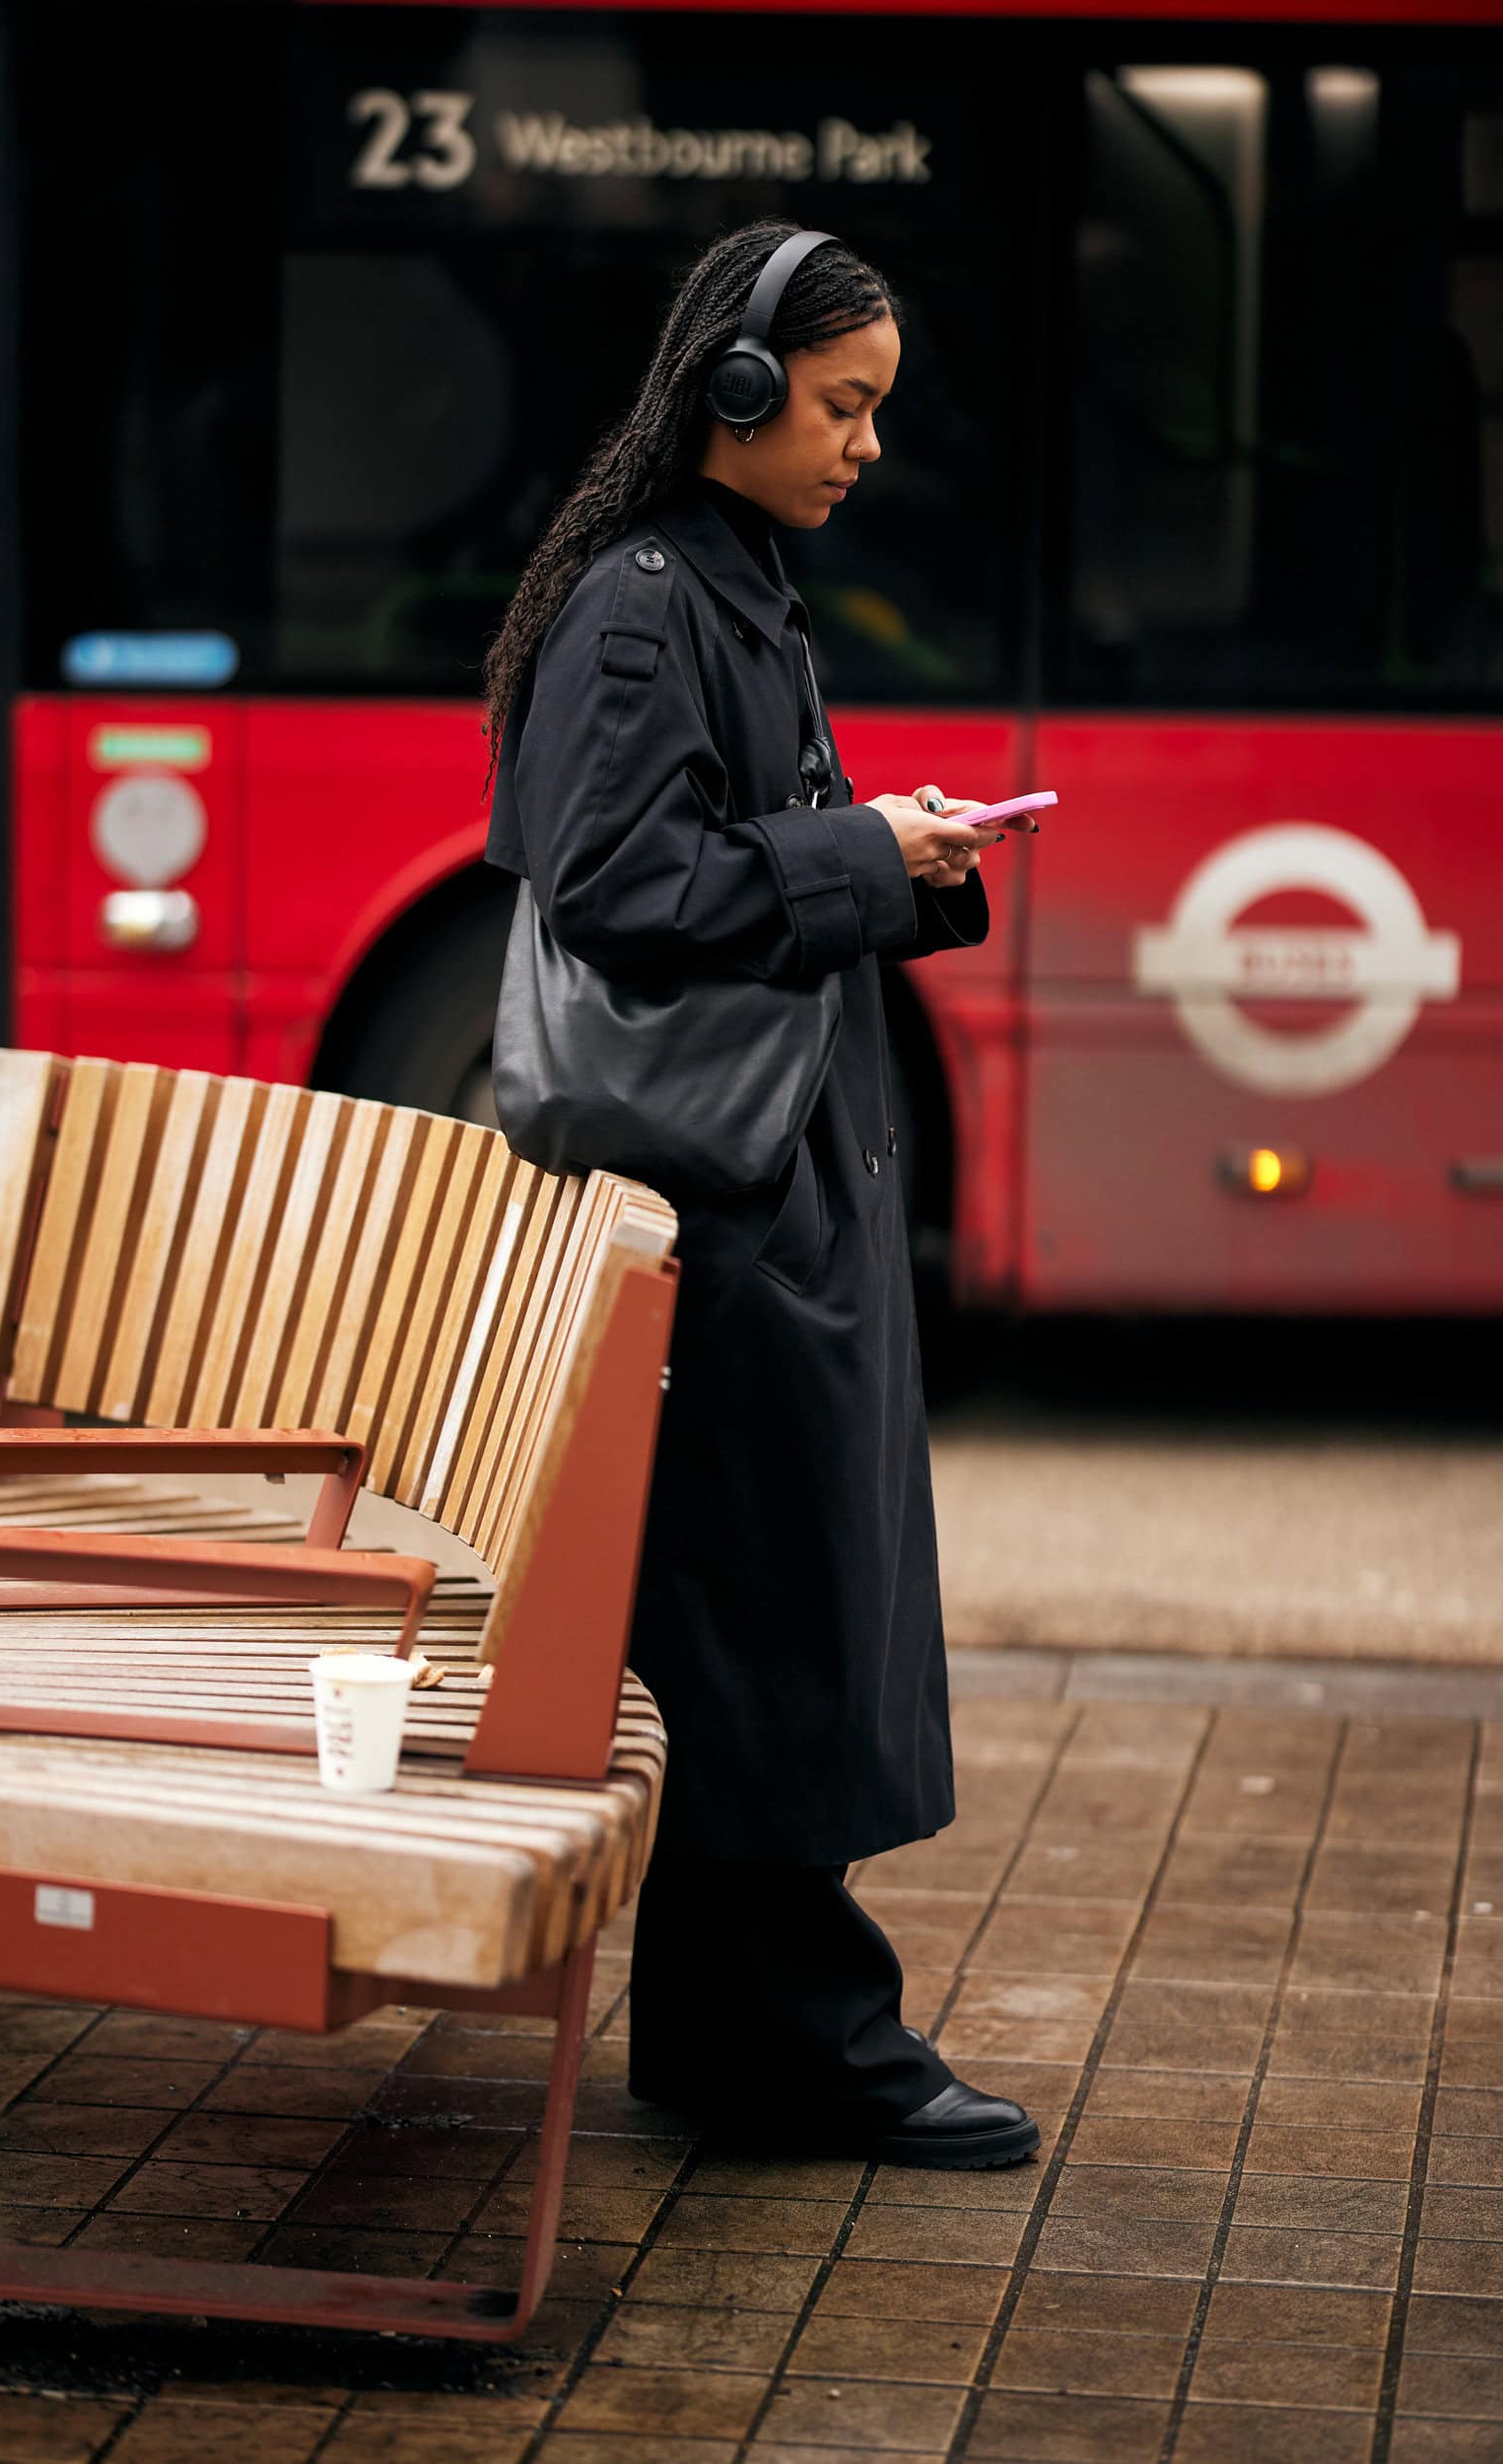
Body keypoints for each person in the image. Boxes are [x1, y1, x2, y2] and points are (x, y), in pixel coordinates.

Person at [483, 220, 1039, 2168]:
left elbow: (733, 854)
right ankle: (807, 2033)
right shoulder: (648, 604)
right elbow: (625, 884)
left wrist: (911, 858)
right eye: (843, 402)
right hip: (724, 1214)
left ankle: (737, 2034)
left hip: (770, 1197)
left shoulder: (722, 584)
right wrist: (861, 857)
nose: (868, 443)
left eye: (877, 407)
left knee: (763, 1611)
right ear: (734, 391)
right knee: (765, 1617)